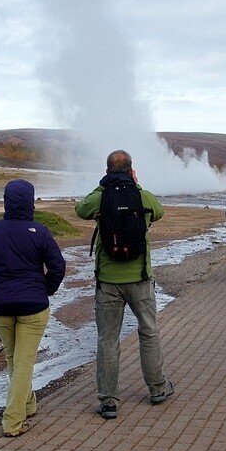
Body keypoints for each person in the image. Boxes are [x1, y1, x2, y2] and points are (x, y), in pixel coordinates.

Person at [75, 149, 173, 420]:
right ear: (131, 170)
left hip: (108, 281)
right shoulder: (141, 195)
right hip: (140, 279)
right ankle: (157, 389)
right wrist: (135, 184)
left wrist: (104, 186)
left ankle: (108, 400)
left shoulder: (101, 196)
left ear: (107, 171)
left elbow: (81, 208)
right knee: (149, 332)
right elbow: (160, 211)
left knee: (108, 339)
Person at [0, 179, 67, 437]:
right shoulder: (39, 231)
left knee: (15, 360)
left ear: (6, 201)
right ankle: (13, 421)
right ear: (31, 201)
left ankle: (28, 404)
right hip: (33, 308)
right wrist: (46, 289)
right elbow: (58, 266)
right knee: (23, 363)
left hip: (1, 307)